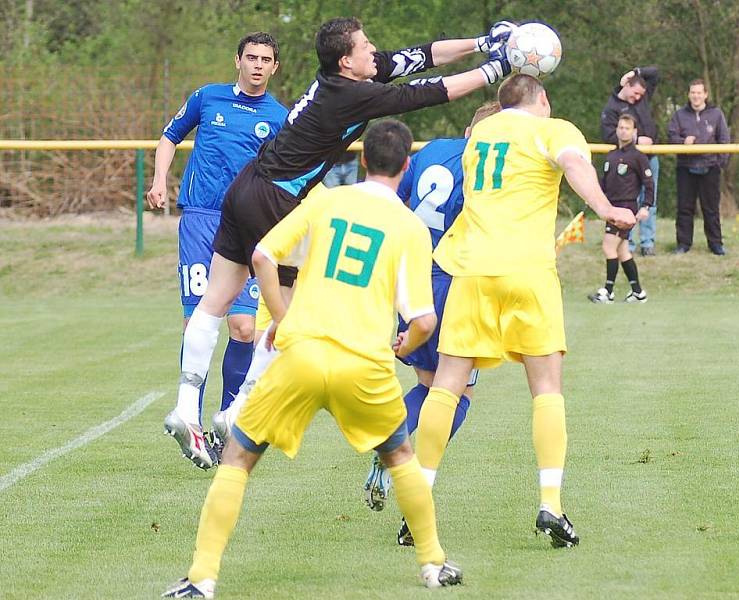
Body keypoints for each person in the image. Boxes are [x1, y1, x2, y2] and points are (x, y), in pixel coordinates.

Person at [163, 16, 519, 470]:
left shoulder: (347, 78)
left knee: (214, 302)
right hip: (278, 199)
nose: (375, 50)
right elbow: (432, 90)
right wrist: (498, 67)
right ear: (347, 60)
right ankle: (239, 408)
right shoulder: (354, 94)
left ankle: (186, 406)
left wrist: (485, 43)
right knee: (292, 309)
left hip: (245, 187)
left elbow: (423, 55)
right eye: (366, 45)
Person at [162, 120, 463, 598]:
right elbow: (423, 320)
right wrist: (402, 345)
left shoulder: (325, 201)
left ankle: (201, 578)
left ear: (362, 160)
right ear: (406, 166)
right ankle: (432, 564)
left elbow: (262, 255)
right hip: (364, 364)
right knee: (401, 457)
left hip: (301, 355)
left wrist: (282, 318)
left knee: (238, 459)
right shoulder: (408, 226)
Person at [412, 74, 636, 550]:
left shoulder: (482, 137)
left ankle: (417, 503)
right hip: (528, 271)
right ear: (544, 99)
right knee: (547, 389)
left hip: (471, 273)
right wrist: (605, 207)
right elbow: (573, 163)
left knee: (447, 383)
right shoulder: (554, 128)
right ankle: (551, 504)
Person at [148, 33, 288, 465]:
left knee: (244, 327)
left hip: (248, 226)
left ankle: (228, 425)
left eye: (266, 60)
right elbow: (170, 136)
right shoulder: (207, 99)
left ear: (275, 67)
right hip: (201, 220)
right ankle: (189, 418)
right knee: (197, 319)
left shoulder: (281, 117)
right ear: (238, 60)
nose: (258, 65)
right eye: (251, 57)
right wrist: (158, 180)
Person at [362, 101, 501, 518]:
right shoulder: (487, 168)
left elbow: (396, 203)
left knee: (428, 382)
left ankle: (389, 451)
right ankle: (402, 463)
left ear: (466, 128)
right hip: (454, 281)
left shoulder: (434, 149)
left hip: (413, 277)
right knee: (458, 390)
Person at [588, 114, 653, 304]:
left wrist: (646, 206)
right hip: (611, 208)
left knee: (608, 246)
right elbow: (604, 184)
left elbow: (649, 184)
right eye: (621, 127)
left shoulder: (638, 157)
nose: (623, 130)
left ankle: (607, 291)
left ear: (634, 132)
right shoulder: (611, 156)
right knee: (623, 251)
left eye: (627, 128)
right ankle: (638, 292)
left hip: (626, 208)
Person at [600, 66, 660, 256]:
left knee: (649, 200)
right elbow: (608, 135)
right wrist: (636, 139)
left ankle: (647, 243)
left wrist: (635, 72)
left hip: (649, 158)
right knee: (628, 201)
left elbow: (656, 73)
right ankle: (628, 242)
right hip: (627, 161)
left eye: (641, 95)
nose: (638, 98)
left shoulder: (641, 96)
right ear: (626, 86)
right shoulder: (611, 108)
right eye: (635, 93)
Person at [668, 78, 730, 255]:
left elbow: (724, 139)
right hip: (685, 167)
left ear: (705, 95)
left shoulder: (716, 114)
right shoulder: (679, 115)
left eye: (699, 93)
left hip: (710, 167)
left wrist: (720, 162)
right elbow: (671, 137)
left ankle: (716, 244)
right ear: (689, 94)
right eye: (693, 92)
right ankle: (683, 244)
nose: (696, 96)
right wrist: (682, 142)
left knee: (710, 209)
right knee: (684, 208)